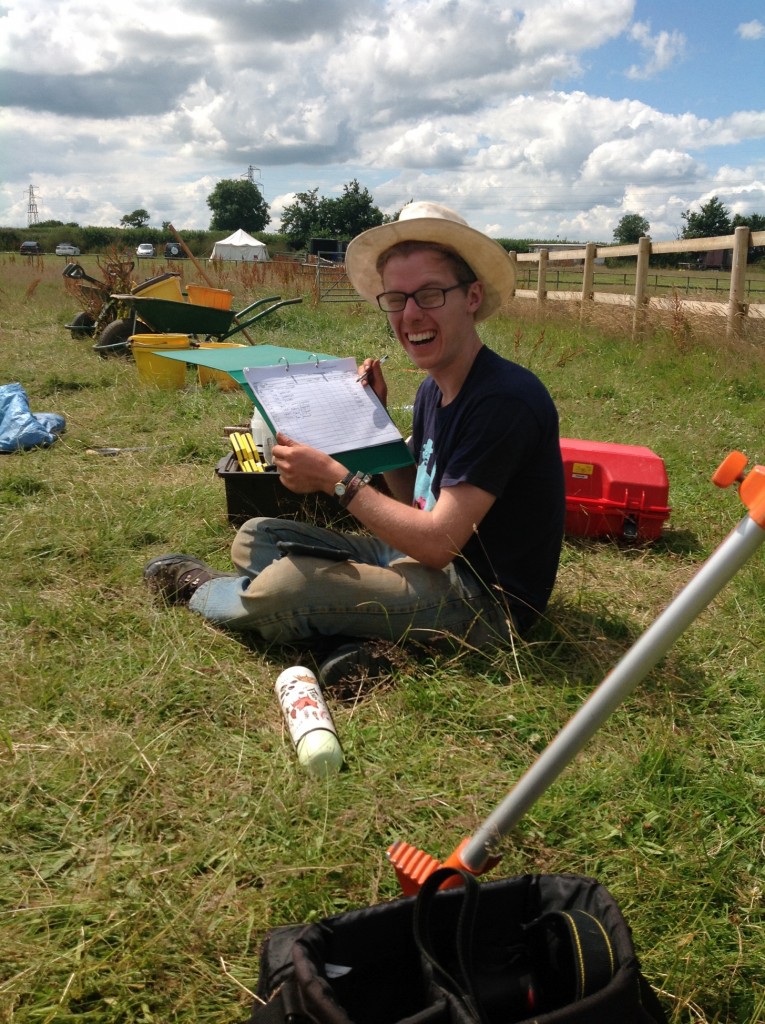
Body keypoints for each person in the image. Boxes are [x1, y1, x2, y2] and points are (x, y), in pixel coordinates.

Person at [144, 201, 565, 683]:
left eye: (429, 294)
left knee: (288, 585)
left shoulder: (504, 400)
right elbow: (415, 503)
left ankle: (205, 589)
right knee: (257, 535)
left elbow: (437, 543)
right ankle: (357, 639)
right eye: (396, 298)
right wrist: (376, 422)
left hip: (482, 603)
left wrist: (336, 480)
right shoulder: (433, 389)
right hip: (423, 562)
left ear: (471, 296)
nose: (410, 315)